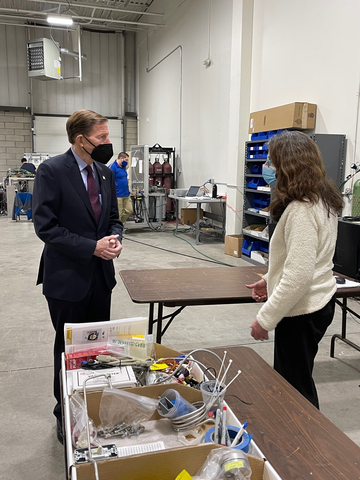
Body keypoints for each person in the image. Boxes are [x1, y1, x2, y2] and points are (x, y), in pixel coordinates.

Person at [32, 109, 123, 443]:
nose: (108, 143)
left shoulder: (105, 174)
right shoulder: (52, 171)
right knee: (68, 349)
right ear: (80, 140)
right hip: (67, 278)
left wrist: (114, 239)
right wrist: (91, 247)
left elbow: (113, 218)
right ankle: (65, 414)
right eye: (102, 138)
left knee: (97, 348)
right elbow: (46, 227)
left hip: (100, 277)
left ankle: (92, 407)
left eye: (108, 136)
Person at [246, 131, 344, 409]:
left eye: (272, 162)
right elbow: (302, 259)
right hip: (319, 302)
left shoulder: (302, 209)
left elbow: (299, 275)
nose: (268, 168)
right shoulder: (322, 198)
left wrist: (265, 319)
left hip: (302, 310)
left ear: (287, 166)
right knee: (298, 380)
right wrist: (268, 279)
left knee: (294, 391)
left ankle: (304, 447)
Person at [110, 151, 133, 224]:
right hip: (118, 195)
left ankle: (118, 224)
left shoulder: (123, 167)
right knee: (118, 214)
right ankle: (116, 230)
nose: (126, 162)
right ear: (121, 158)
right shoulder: (112, 167)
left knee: (129, 210)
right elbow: (109, 182)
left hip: (126, 194)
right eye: (126, 160)